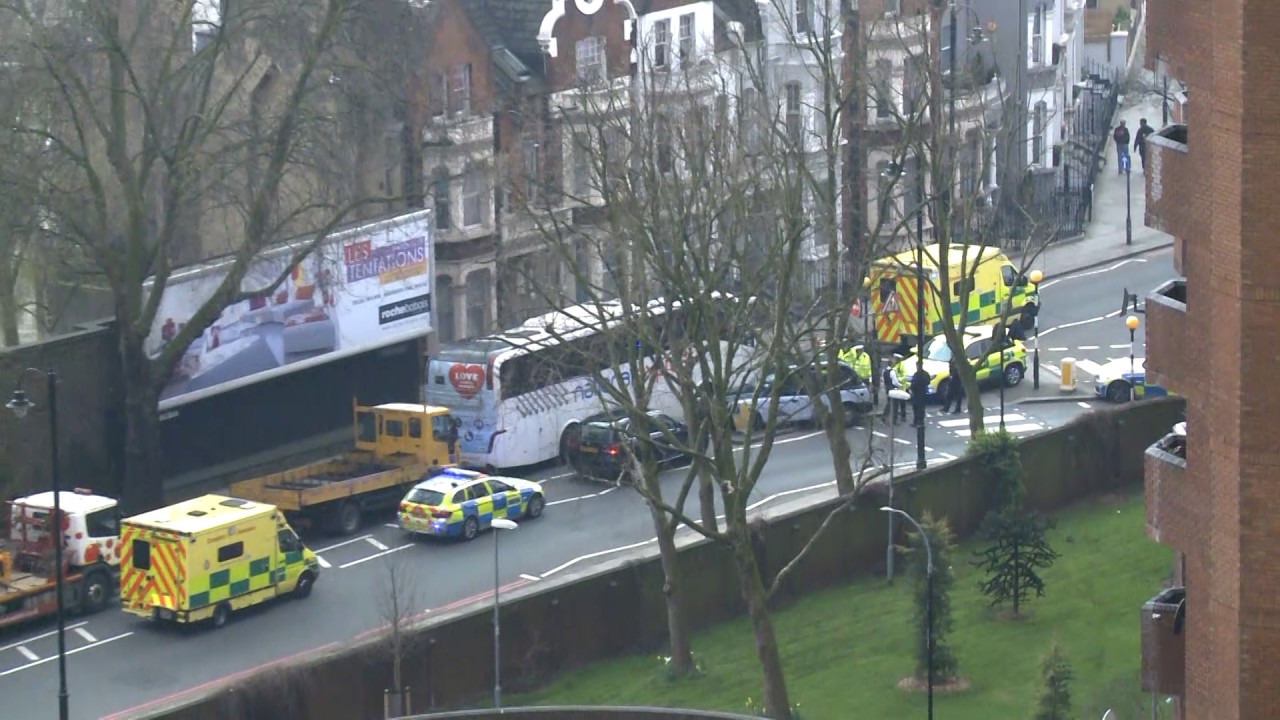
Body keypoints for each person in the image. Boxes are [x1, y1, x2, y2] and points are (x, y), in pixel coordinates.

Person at [882, 357, 907, 424]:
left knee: (889, 403)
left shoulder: (885, 371)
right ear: (892, 364)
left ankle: (884, 416)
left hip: (887, 388)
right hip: (893, 389)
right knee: (895, 405)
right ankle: (894, 420)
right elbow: (895, 382)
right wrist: (900, 385)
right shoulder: (892, 372)